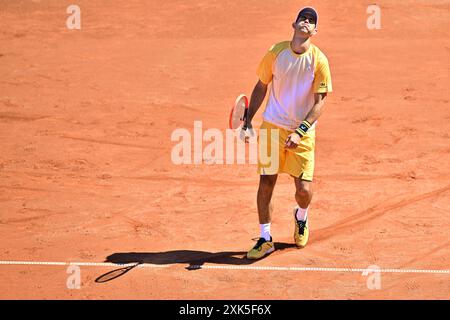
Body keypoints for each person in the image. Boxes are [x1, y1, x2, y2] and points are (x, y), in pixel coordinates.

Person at [244, 7, 332, 259]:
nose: (307, 21)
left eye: (312, 20)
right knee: (266, 182)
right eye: (303, 18)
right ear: (293, 24)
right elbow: (262, 86)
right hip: (273, 126)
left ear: (315, 31)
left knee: (303, 188)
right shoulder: (276, 52)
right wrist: (249, 119)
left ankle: (301, 216)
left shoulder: (319, 60)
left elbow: (320, 102)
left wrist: (301, 131)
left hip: (301, 132)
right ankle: (265, 238)